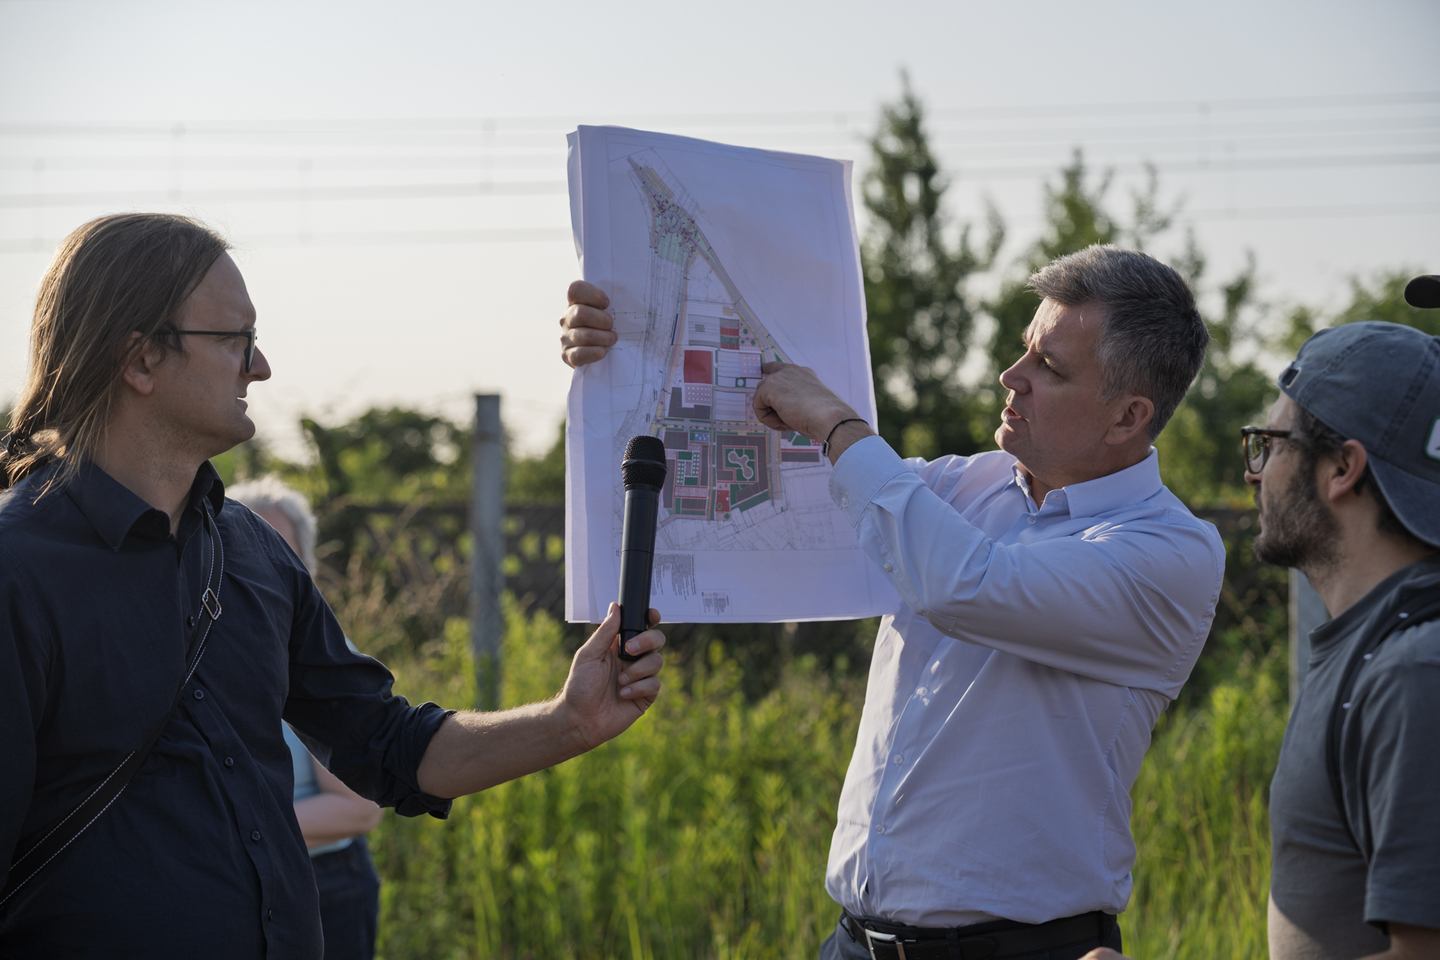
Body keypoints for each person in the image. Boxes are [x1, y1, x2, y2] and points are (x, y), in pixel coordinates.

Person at [0, 213, 665, 959]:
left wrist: (569, 721)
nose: (260, 367)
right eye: (238, 338)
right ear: (142, 358)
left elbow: (387, 746)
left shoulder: (251, 552)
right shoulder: (18, 571)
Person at [561, 244, 1225, 958]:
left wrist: (838, 423)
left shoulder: (1170, 554)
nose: (1012, 376)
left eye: (1049, 367)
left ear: (1127, 418)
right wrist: (627, 353)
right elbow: (759, 491)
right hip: (853, 942)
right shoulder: (963, 486)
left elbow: (969, 586)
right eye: (1024, 349)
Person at [1084, 280, 1440, 960]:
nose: (1255, 473)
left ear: (1342, 469)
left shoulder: (1414, 676)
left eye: (1271, 443)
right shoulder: (1376, 648)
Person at [228, 476, 384, 959]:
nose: (256, 567)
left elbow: (358, 808)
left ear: (305, 570)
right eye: (238, 550)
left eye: (278, 551)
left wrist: (226, 833)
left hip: (322, 887)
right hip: (231, 885)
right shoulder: (200, 655)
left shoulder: (315, 660)